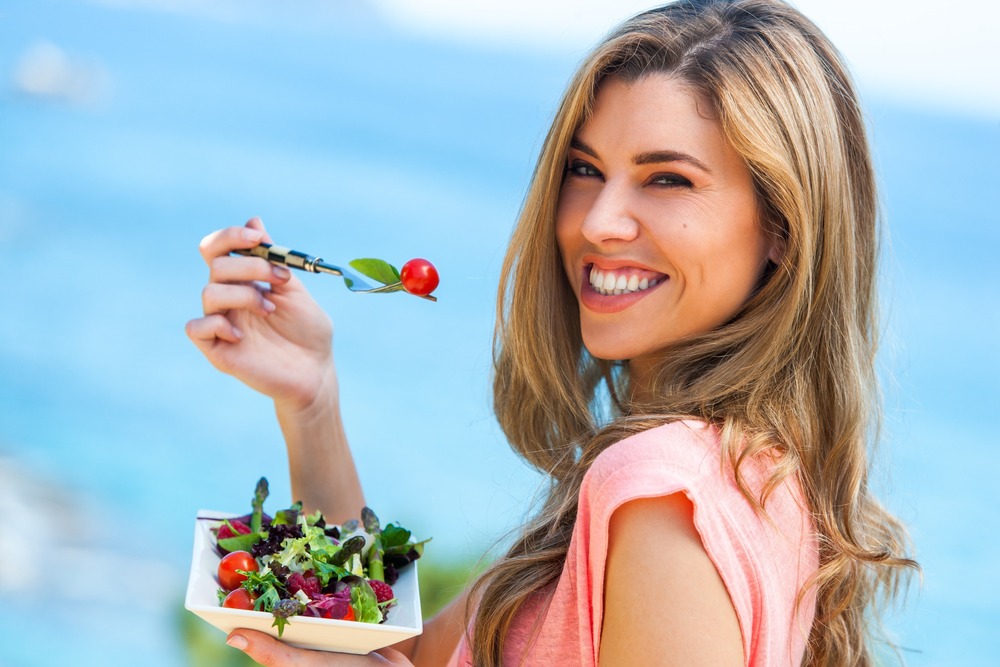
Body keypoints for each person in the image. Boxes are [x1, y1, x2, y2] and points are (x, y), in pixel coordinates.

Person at [186, 0, 917, 664]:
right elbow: (404, 652)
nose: (598, 221)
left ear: (785, 226)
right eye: (584, 169)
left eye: (667, 179)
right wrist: (313, 401)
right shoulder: (752, 478)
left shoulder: (662, 489)